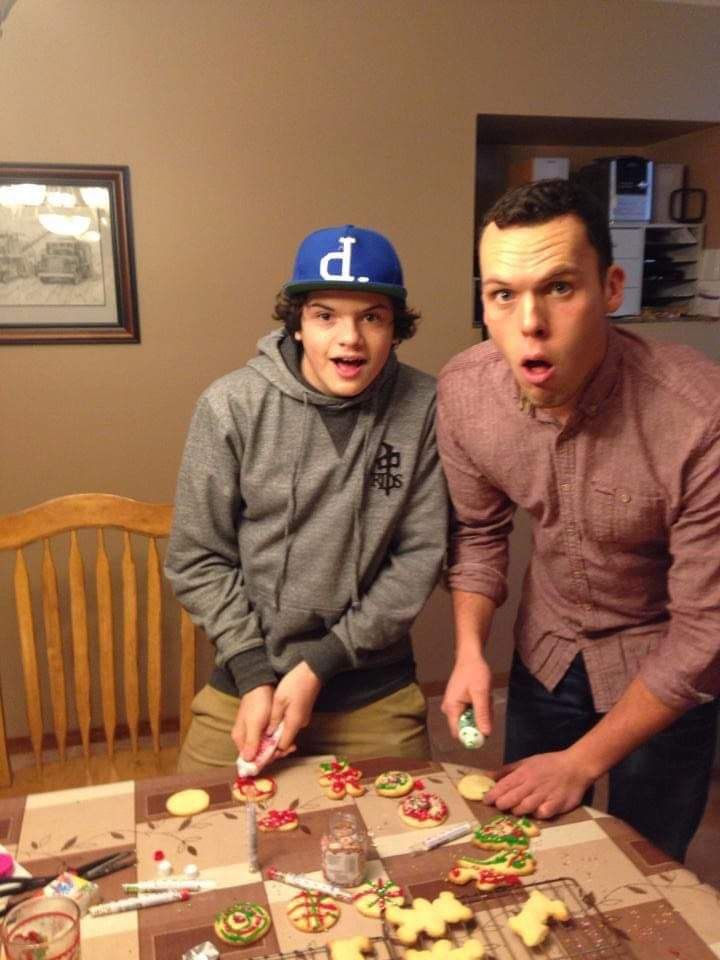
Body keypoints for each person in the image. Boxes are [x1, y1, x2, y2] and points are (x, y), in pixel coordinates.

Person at [437, 178, 720, 862]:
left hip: (665, 664)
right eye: (503, 295)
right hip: (549, 651)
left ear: (611, 288)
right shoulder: (466, 393)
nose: (529, 323)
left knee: (647, 864)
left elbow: (706, 629)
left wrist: (581, 762)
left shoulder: (699, 415)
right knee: (530, 853)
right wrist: (470, 651)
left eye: (559, 287)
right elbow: (480, 533)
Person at [166, 224, 448, 772]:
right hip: (248, 680)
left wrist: (322, 662)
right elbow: (196, 558)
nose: (350, 338)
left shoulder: (426, 408)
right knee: (197, 818)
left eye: (372, 317)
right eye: (325, 316)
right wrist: (252, 673)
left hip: (371, 689)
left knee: (408, 822)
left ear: (395, 328)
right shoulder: (230, 406)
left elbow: (420, 555)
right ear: (296, 324)